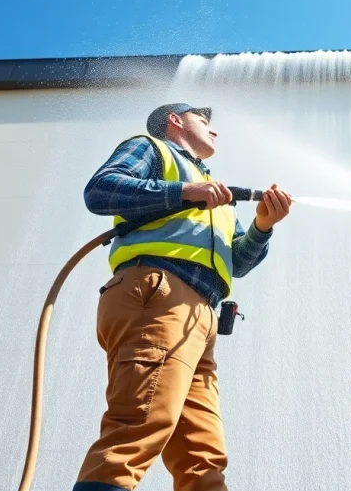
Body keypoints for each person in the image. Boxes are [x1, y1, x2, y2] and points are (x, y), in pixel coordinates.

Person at [74, 102, 292, 491]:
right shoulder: (150, 149)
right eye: (204, 121)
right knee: (140, 422)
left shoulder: (217, 194)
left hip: (200, 316)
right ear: (175, 122)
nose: (215, 131)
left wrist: (262, 226)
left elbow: (237, 262)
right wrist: (185, 191)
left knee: (202, 459)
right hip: (157, 294)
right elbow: (101, 190)